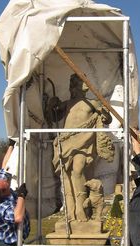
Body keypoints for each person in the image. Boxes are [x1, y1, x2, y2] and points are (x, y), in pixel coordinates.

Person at [48, 74, 114, 222]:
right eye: (82, 81)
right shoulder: (67, 104)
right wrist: (51, 105)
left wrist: (104, 113)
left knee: (78, 170)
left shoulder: (93, 103)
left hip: (83, 143)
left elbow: (108, 118)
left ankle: (81, 208)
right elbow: (53, 118)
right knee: (66, 175)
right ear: (76, 85)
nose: (86, 83)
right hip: (66, 141)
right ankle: (70, 211)